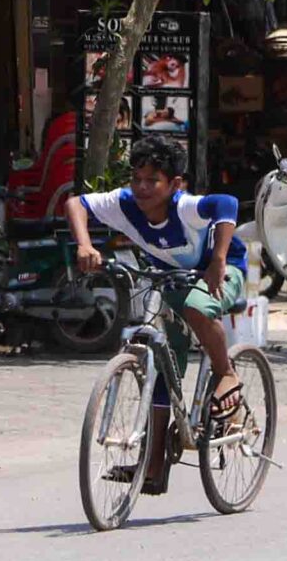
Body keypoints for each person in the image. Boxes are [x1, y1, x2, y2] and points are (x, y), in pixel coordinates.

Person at [65, 135, 249, 420]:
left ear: (175, 184)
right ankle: (152, 460)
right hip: (173, 276)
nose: (141, 187)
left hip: (222, 269)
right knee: (165, 359)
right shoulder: (124, 204)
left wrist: (219, 260)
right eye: (136, 178)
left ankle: (226, 373)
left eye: (152, 180)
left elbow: (226, 203)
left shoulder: (184, 208)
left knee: (196, 307)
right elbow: (77, 204)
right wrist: (84, 245)